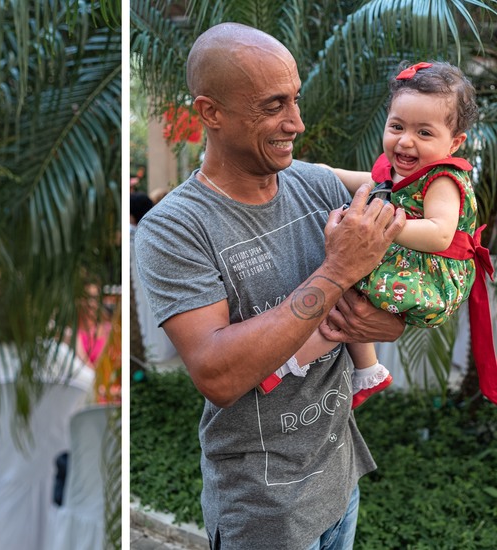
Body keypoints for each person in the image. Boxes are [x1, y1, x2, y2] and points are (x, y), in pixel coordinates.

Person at [134, 23, 408, 549]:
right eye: (273, 105)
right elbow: (217, 375)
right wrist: (336, 273)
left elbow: (387, 312)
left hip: (341, 481)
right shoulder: (175, 227)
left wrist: (381, 320)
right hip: (265, 513)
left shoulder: (319, 185)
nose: (296, 122)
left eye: (295, 99)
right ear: (211, 112)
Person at [325, 61, 494, 407]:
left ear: (455, 142)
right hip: (405, 259)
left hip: (429, 272)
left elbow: (439, 234)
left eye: (424, 133)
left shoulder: (443, 179)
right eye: (397, 126)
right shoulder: (402, 170)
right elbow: (373, 182)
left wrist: (380, 228)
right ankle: (368, 370)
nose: (405, 141)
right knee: (343, 288)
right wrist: (325, 172)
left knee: (338, 289)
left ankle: (295, 361)